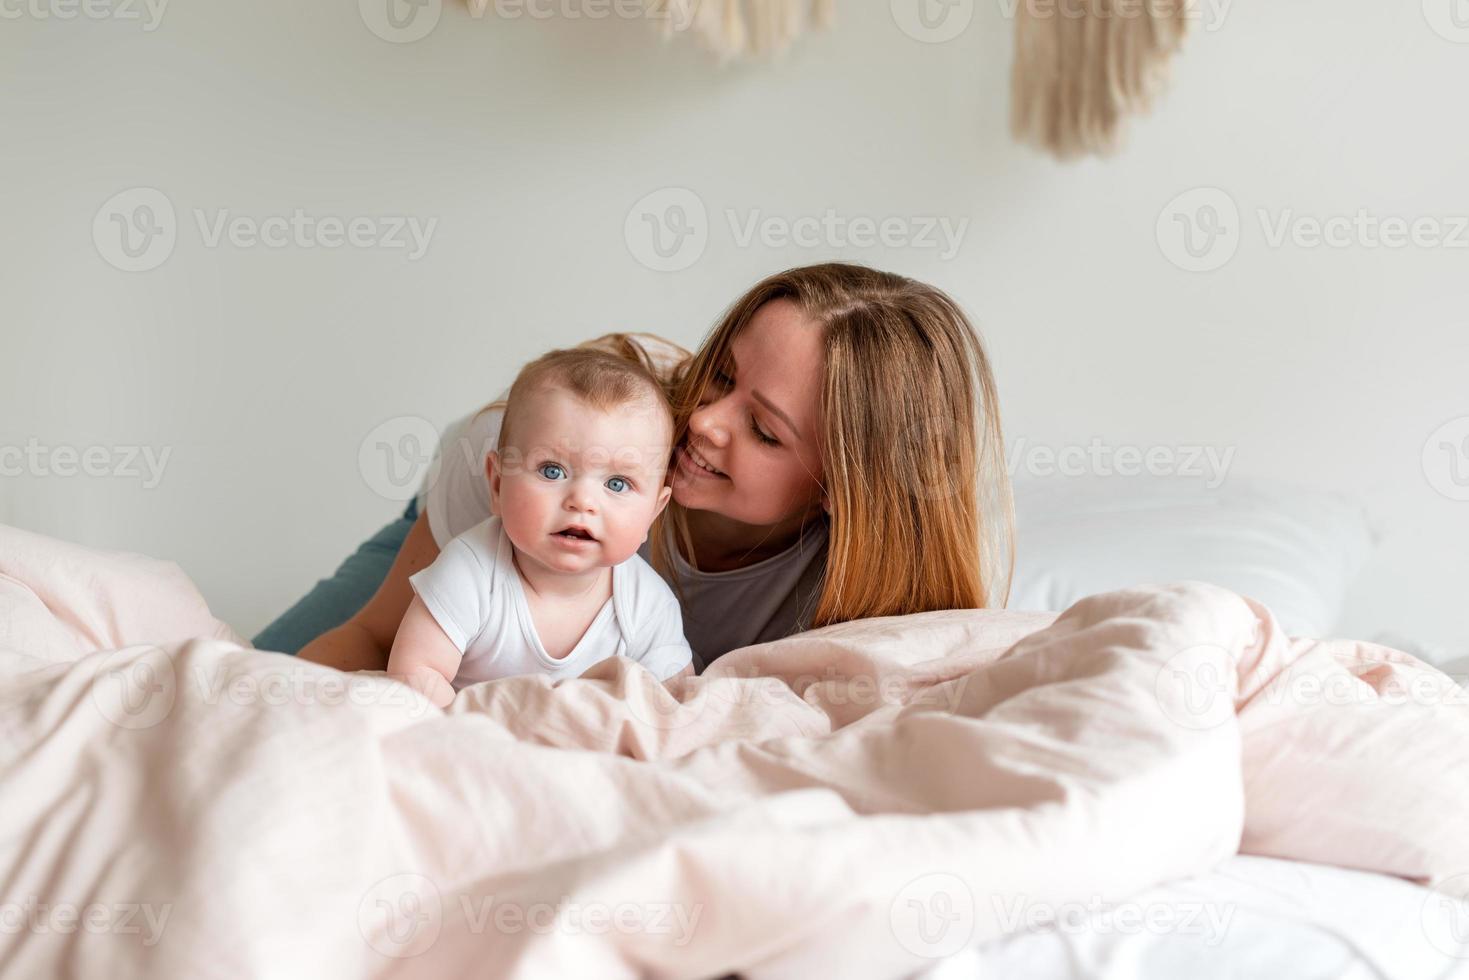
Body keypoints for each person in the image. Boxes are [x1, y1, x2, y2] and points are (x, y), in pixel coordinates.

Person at [268, 263, 1013, 674]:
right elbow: (369, 642)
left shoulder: (867, 591)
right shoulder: (525, 472)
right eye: (718, 374)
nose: (703, 420)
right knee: (243, 675)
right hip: (486, 524)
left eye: (761, 430)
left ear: (842, 494)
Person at [385, 347, 693, 707]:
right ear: (497, 485)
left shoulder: (648, 607)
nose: (582, 501)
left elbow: (677, 706)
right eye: (552, 471)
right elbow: (416, 674)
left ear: (652, 516)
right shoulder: (470, 571)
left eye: (617, 484)